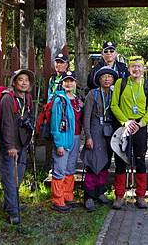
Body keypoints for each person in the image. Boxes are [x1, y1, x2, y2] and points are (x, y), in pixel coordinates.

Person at [111, 56, 148, 209]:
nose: (136, 69)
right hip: (123, 126)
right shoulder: (120, 83)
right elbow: (114, 105)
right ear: (128, 69)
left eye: (139, 66)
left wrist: (141, 123)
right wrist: (126, 121)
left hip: (140, 126)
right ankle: (119, 196)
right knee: (121, 160)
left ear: (143, 69)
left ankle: (141, 196)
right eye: (133, 67)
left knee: (140, 160)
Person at [0, 69, 35, 225]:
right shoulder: (7, 99)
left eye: (26, 80)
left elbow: (29, 118)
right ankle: (13, 212)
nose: (24, 82)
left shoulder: (27, 98)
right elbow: (6, 124)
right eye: (20, 79)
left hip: (23, 143)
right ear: (14, 82)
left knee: (17, 178)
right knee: (11, 179)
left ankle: (9, 204)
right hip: (10, 146)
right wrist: (10, 146)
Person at [82, 66, 119, 211]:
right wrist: (88, 136)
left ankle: (100, 192)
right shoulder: (93, 94)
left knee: (105, 162)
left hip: (109, 130)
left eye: (110, 77)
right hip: (96, 128)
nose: (107, 79)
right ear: (99, 79)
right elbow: (86, 116)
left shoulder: (114, 93)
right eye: (104, 77)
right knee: (93, 161)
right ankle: (89, 195)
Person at [50, 71, 83, 212]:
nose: (69, 84)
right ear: (62, 83)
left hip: (75, 138)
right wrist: (59, 144)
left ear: (75, 83)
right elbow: (55, 123)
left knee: (70, 169)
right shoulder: (59, 100)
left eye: (71, 81)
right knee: (60, 169)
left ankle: (67, 196)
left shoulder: (77, 100)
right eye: (66, 81)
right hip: (63, 139)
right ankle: (57, 200)